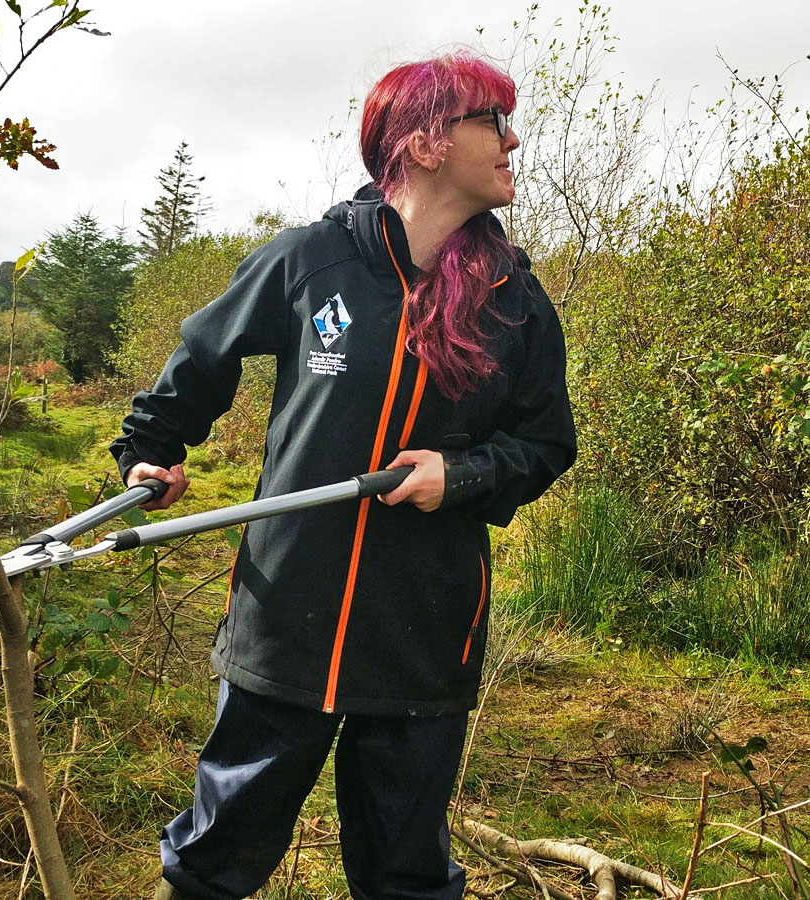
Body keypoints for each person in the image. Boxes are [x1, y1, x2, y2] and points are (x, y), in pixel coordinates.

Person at [111, 52, 576, 900]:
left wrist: (462, 474)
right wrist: (153, 448)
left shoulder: (514, 298)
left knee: (405, 875)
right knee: (215, 861)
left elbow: (546, 443)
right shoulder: (309, 262)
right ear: (428, 141)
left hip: (424, 629)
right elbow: (202, 361)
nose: (514, 142)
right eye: (494, 123)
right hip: (288, 615)